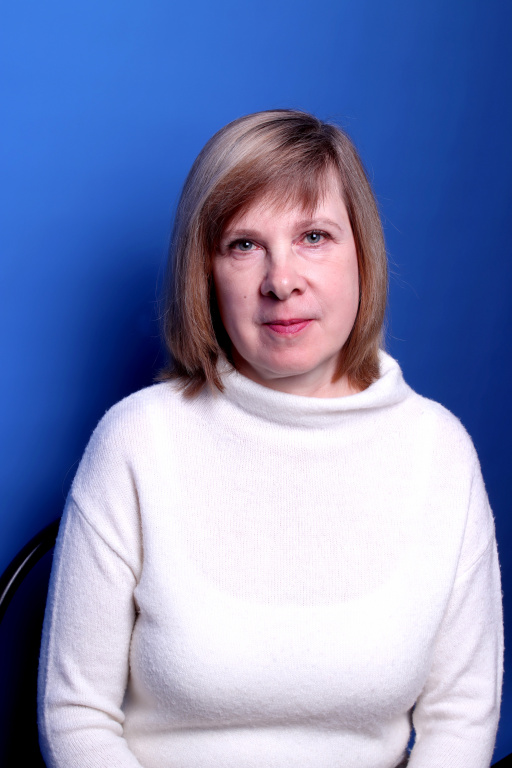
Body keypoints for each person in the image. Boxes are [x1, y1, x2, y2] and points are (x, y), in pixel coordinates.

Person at [38, 109, 503, 768]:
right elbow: (75, 714)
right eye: (244, 245)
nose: (281, 281)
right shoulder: (137, 440)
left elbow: (462, 714)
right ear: (205, 273)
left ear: (363, 255)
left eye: (314, 236)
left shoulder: (438, 451)